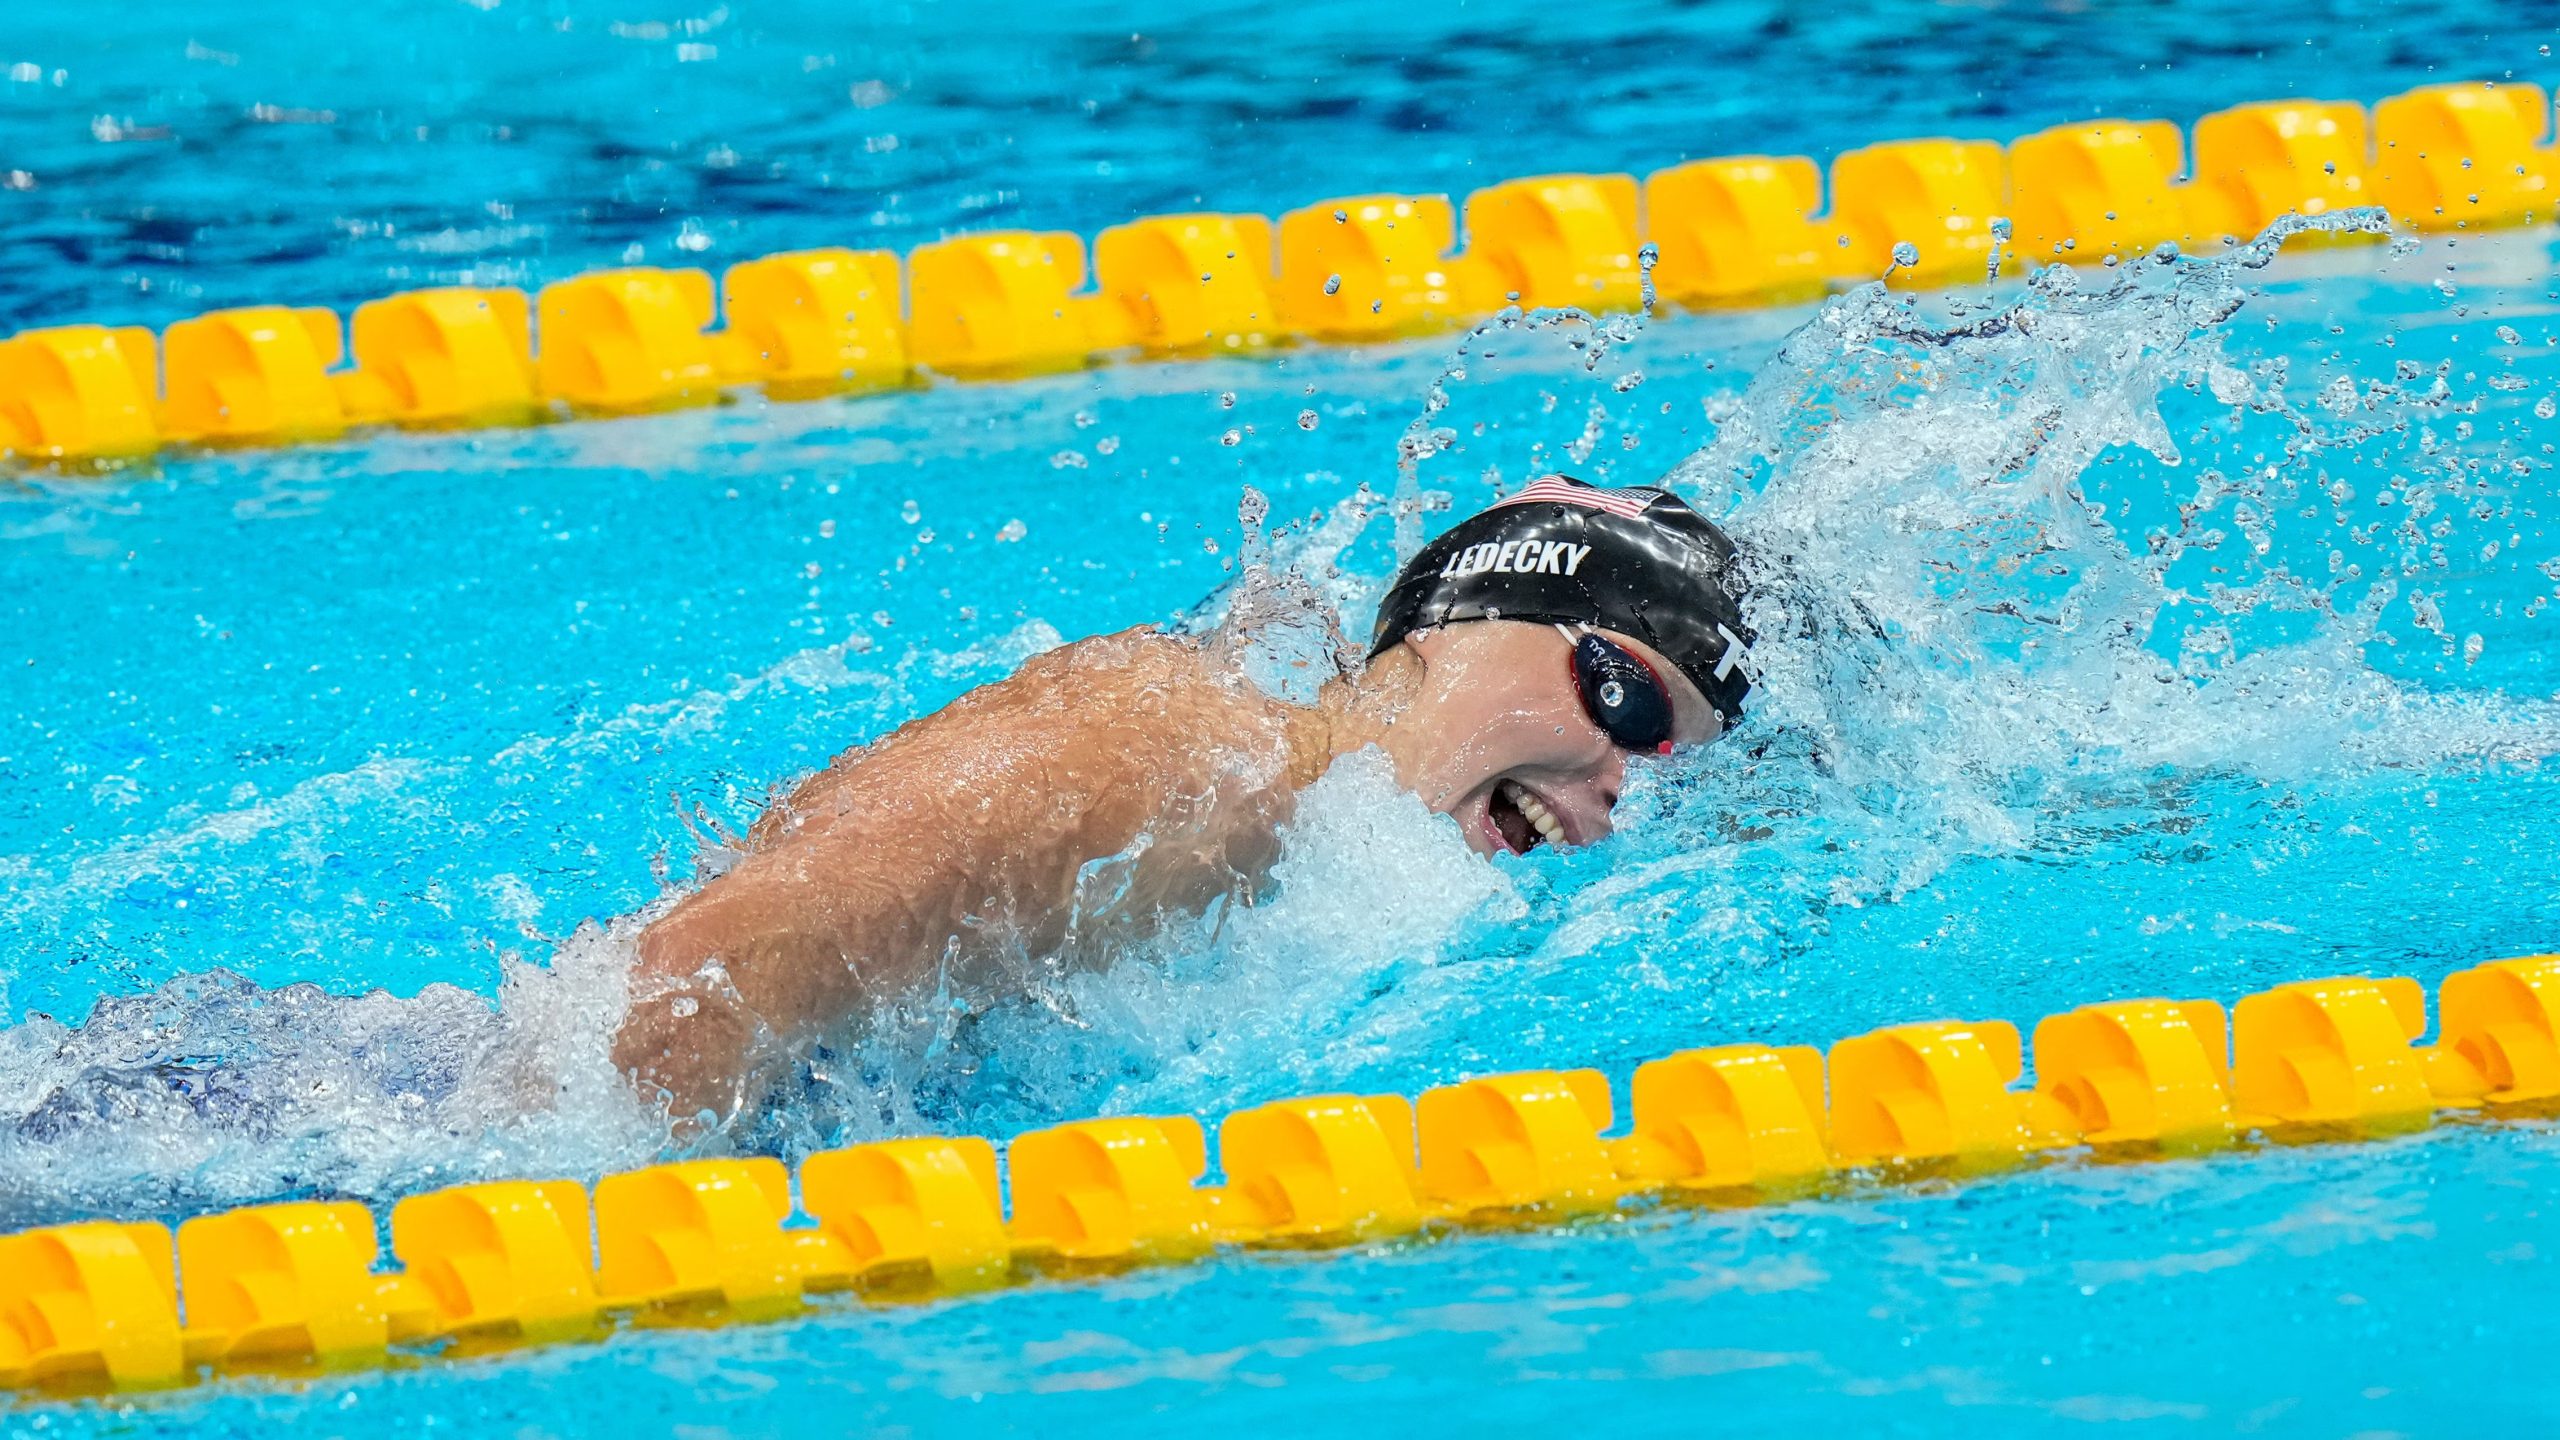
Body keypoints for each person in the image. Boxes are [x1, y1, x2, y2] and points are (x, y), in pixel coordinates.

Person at [614, 475, 1756, 1124]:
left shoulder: (1293, 870)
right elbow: (702, 973)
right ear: (1469, 619)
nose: (1616, 785)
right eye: (1629, 705)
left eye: (1661, 765)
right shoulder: (1182, 758)